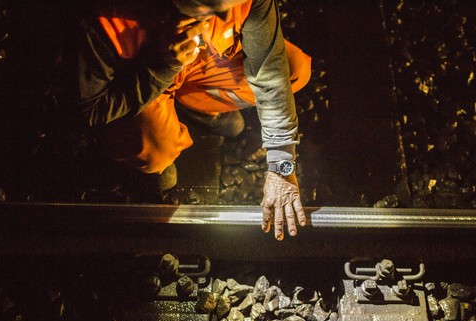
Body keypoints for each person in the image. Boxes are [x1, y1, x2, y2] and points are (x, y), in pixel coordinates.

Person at [77, 0, 310, 240]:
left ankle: (194, 106)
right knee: (156, 151)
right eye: (211, 7)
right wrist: (163, 66)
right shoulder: (107, 19)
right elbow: (90, 111)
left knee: (294, 68)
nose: (226, 14)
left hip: (201, 61)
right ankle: (155, 139)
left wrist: (282, 164)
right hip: (146, 73)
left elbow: (270, 72)